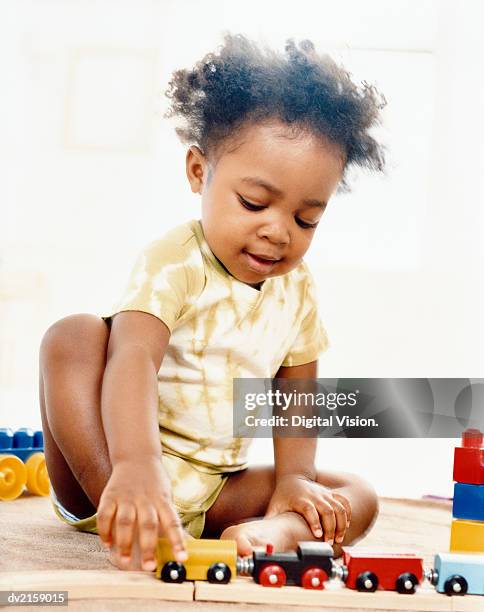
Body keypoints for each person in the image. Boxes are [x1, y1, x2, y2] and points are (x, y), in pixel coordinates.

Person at [39, 33, 385, 572]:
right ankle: (139, 512)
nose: (277, 231)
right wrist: (134, 465)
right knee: (73, 336)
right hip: (110, 471)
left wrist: (294, 481)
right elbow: (132, 359)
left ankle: (273, 532)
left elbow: (298, 389)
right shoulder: (175, 261)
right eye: (254, 203)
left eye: (306, 219)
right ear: (199, 171)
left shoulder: (297, 289)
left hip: (216, 491)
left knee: (355, 493)